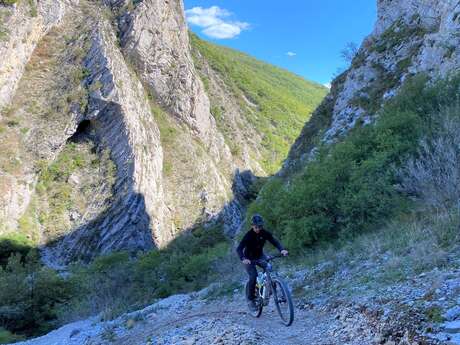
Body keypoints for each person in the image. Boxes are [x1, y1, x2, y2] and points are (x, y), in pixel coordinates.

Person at [236, 214, 288, 311]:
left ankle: (270, 288)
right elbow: (239, 248)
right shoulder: (248, 236)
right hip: (249, 259)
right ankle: (251, 300)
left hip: (260, 256)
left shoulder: (264, 233)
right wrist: (243, 258)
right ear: (252, 226)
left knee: (269, 268)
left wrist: (282, 249)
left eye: (260, 226)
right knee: (253, 276)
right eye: (256, 227)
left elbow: (274, 241)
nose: (258, 229)